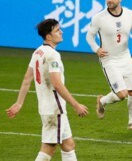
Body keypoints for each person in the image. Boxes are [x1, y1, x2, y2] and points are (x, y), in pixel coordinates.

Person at [6, 19, 89, 161]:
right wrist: (76, 105)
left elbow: (27, 79)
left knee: (68, 145)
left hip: (47, 107)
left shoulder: (38, 52)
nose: (61, 32)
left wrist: (19, 103)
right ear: (49, 36)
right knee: (48, 149)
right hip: (54, 109)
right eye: (57, 30)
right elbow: (57, 84)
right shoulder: (52, 55)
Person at [86, 0, 132, 131]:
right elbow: (89, 36)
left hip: (125, 57)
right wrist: (96, 49)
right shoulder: (99, 18)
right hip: (109, 59)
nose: (109, 0)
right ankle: (102, 101)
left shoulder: (129, 14)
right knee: (121, 94)